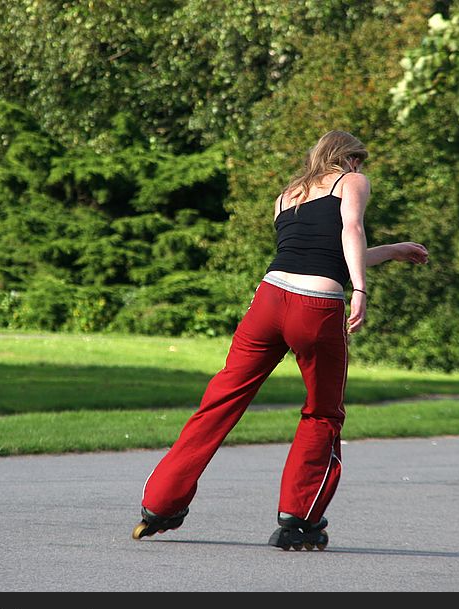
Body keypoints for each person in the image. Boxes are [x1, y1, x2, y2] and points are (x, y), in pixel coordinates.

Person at [132, 130, 428, 550]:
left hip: (268, 301)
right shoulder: (352, 182)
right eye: (358, 162)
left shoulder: (288, 194)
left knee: (222, 398)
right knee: (323, 412)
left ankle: (160, 503)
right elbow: (350, 230)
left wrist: (393, 251)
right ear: (349, 160)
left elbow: (319, 250)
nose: (360, 170)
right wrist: (360, 290)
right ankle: (299, 518)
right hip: (316, 307)